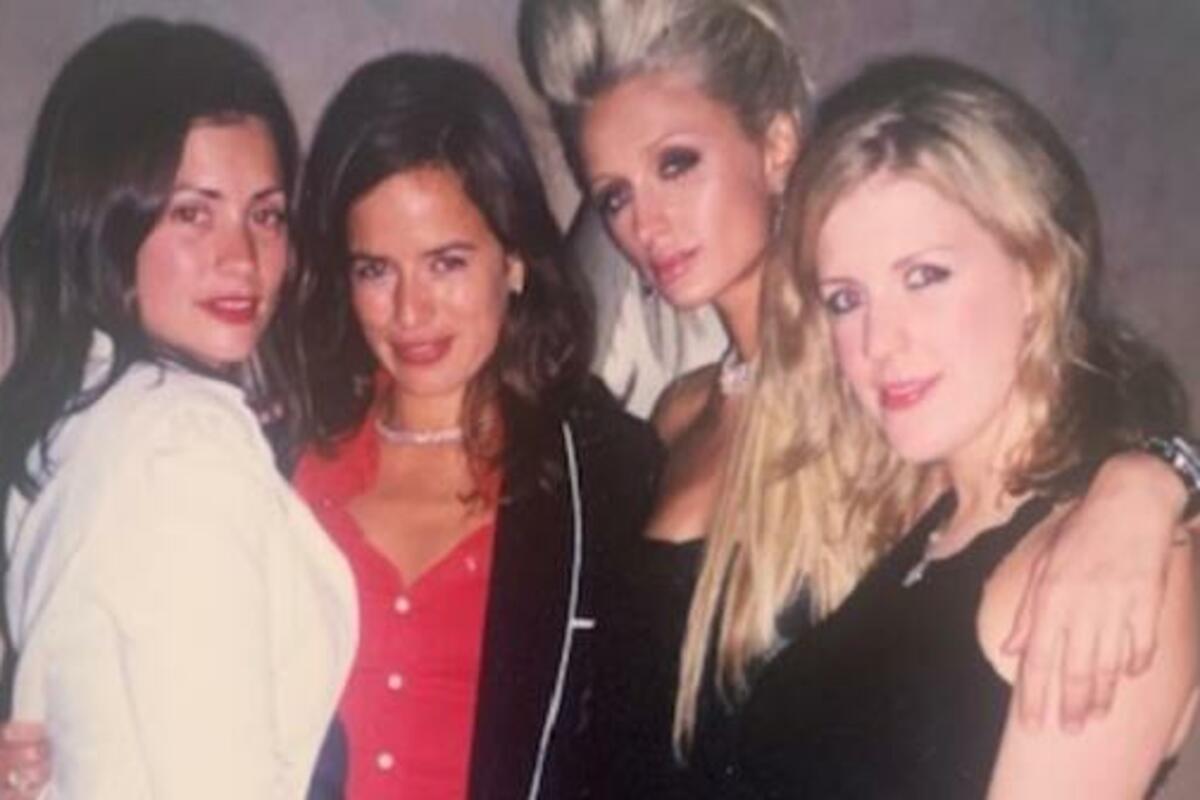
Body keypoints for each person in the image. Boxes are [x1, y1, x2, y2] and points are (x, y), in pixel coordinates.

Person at [518, 0, 1199, 795]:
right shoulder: (680, 412)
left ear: (777, 145)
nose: (647, 223)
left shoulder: (884, 402)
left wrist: (1154, 478)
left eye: (676, 164)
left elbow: (1063, 410)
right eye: (613, 196)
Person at [735, 54, 1198, 798]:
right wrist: (1168, 469)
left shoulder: (1106, 567)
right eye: (846, 299)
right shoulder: (928, 511)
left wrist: (1157, 485)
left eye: (924, 276)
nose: (879, 342)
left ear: (1035, 272)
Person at [0, 18, 356, 799]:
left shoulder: (74, 424)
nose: (243, 257)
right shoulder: (186, 443)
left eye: (266, 214)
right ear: (106, 224)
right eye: (193, 212)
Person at [292, 52, 661, 799]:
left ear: (514, 259)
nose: (410, 311)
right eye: (375, 269)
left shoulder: (606, 474)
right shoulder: (283, 458)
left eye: (447, 263)